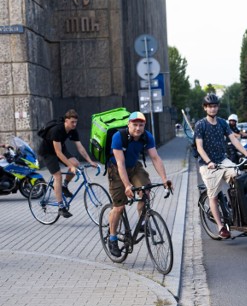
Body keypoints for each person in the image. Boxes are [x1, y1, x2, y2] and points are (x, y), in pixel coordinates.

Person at [106, 111, 172, 257]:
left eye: (141, 125)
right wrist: (128, 185)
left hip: (135, 167)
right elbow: (120, 163)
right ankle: (112, 238)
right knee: (119, 207)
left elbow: (155, 157)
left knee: (146, 191)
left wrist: (164, 179)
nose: (137, 128)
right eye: (135, 124)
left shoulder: (147, 136)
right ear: (129, 124)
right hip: (116, 170)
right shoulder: (119, 137)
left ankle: (142, 223)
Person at [195, 94, 247, 239]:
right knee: (213, 196)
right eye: (210, 106)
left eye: (215, 106)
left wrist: (246, 154)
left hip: (222, 160)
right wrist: (209, 162)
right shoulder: (200, 125)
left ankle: (238, 212)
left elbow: (233, 140)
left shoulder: (222, 123)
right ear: (205, 108)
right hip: (208, 164)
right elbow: (199, 147)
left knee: (238, 176)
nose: (212, 108)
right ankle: (221, 227)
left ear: (218, 107)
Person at [38, 109, 98, 218]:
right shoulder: (57, 130)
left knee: (76, 163)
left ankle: (64, 186)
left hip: (60, 148)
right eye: (72, 122)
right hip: (48, 152)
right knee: (58, 176)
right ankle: (61, 207)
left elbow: (80, 147)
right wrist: (70, 166)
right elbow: (58, 153)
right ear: (66, 121)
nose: (74, 124)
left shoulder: (73, 130)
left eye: (76, 122)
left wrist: (90, 161)